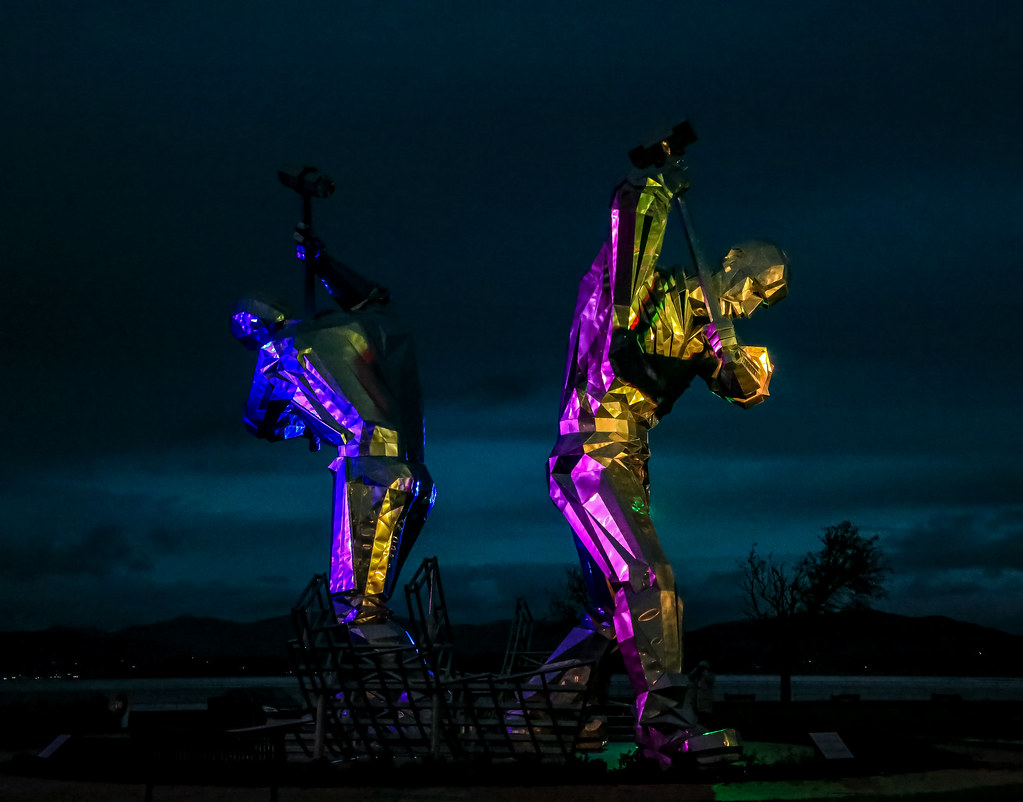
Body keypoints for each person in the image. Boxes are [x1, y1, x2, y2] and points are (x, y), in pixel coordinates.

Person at [546, 154, 788, 765]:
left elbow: (745, 388)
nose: (757, 305)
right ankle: (666, 729)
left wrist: (737, 355)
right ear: (732, 267)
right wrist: (648, 189)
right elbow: (625, 249)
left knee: (609, 612)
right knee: (650, 581)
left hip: (629, 457)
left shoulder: (714, 325)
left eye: (770, 299)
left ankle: (534, 717)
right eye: (758, 289)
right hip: (592, 452)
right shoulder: (654, 292)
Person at [232, 232, 435, 646]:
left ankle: (402, 699)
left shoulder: (276, 351)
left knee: (357, 606)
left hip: (366, 468)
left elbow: (258, 422)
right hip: (415, 473)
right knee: (374, 597)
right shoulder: (363, 325)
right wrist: (325, 264)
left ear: (255, 326)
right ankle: (394, 698)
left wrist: (306, 422)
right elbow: (378, 300)